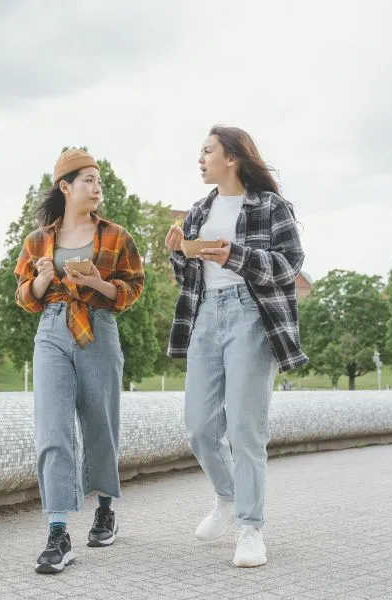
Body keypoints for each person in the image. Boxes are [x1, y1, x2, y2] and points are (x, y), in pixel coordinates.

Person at [164, 125, 308, 568]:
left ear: (232, 157)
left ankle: (249, 528)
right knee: (199, 427)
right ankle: (227, 497)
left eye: (207, 151)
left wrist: (233, 255)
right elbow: (186, 278)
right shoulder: (198, 210)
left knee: (246, 429)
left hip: (250, 313)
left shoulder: (270, 206)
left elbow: (290, 265)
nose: (200, 158)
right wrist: (179, 254)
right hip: (206, 315)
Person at [14, 148, 145, 574]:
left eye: (99, 179)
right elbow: (23, 297)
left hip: (98, 326)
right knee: (52, 429)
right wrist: (41, 281)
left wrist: (98, 283)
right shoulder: (37, 241)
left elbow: (133, 288)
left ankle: (105, 508)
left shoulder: (117, 236)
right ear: (65, 187)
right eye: (87, 179)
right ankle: (57, 532)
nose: (96, 186)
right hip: (52, 330)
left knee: (100, 424)